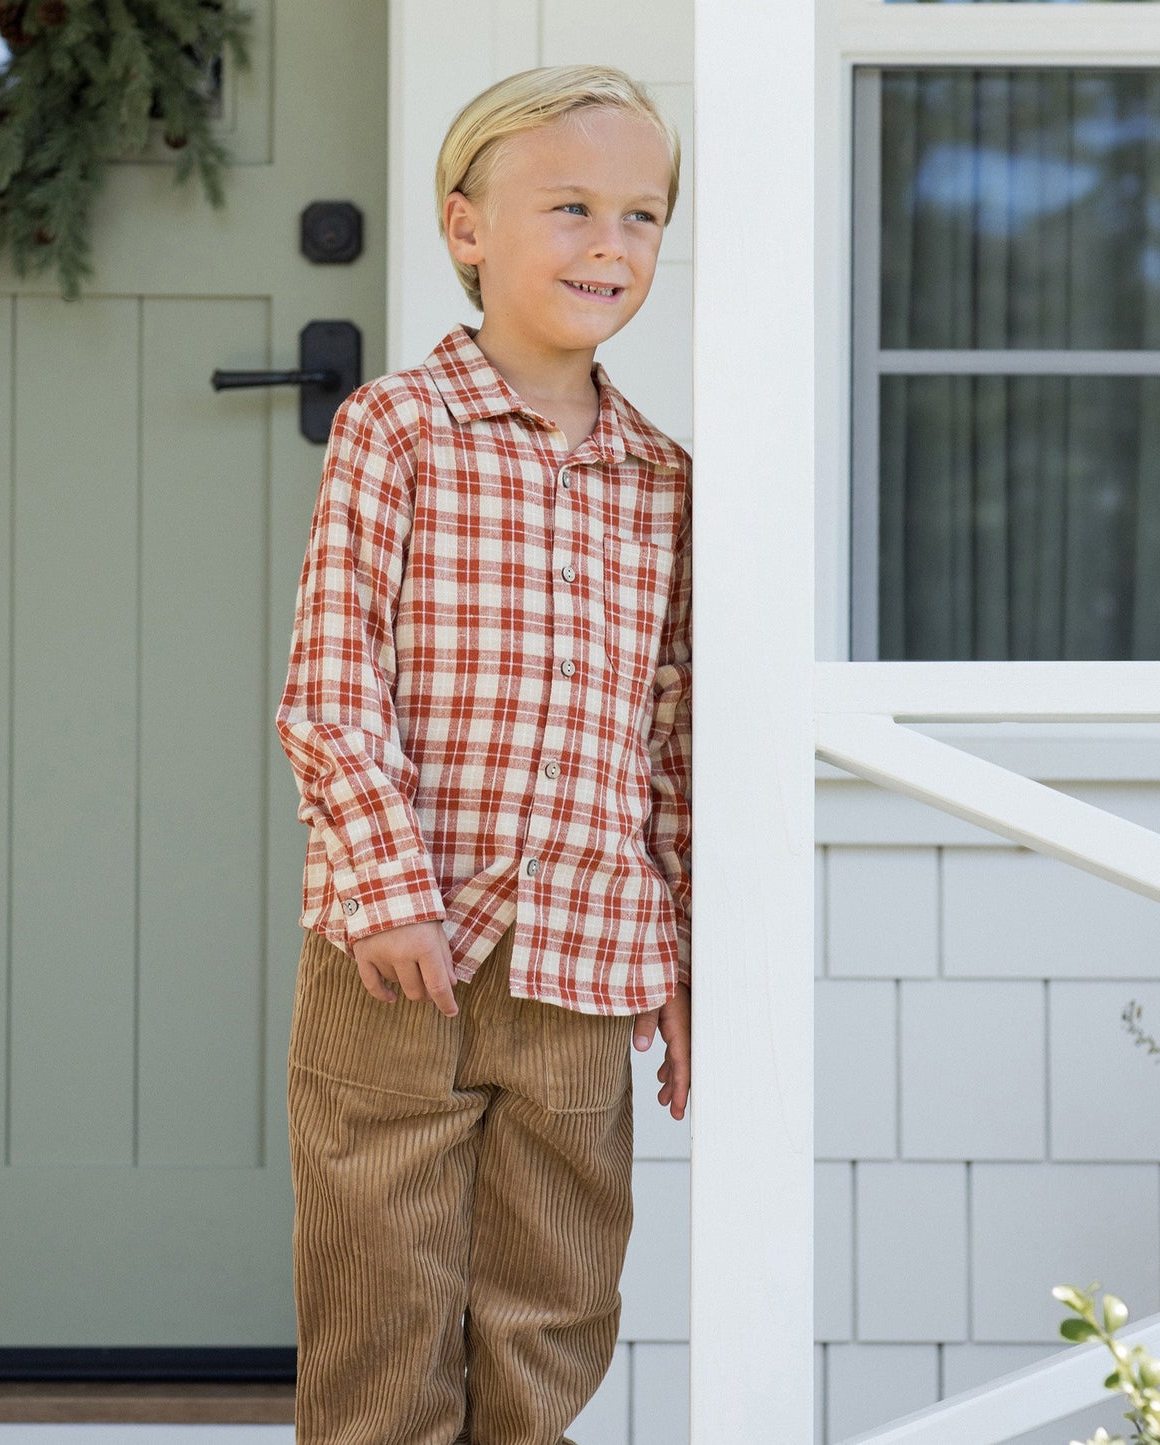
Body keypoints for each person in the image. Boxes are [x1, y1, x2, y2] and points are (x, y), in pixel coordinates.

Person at [275, 62, 692, 1445]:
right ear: (465, 229)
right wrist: (386, 881)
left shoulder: (662, 480)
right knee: (382, 1314)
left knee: (548, 1307)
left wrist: (678, 947)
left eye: (640, 217)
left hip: (585, 950)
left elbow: (672, 731)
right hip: (399, 953)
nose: (608, 245)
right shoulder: (396, 430)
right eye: (569, 206)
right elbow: (332, 686)